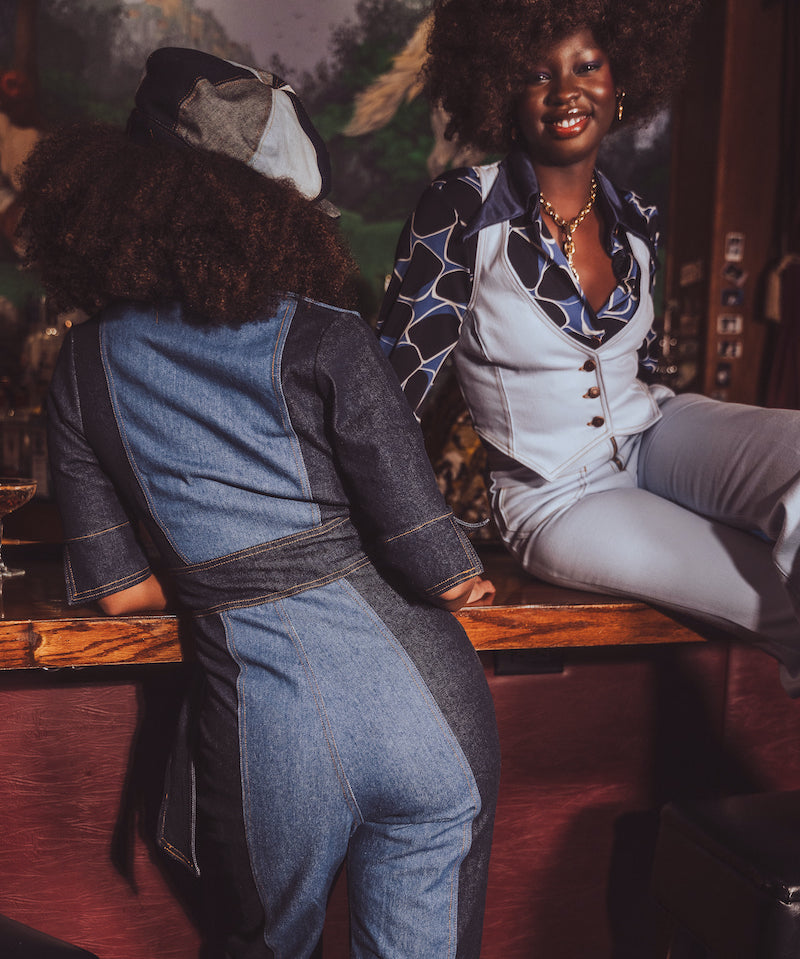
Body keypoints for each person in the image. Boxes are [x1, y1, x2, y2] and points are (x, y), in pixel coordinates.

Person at [19, 47, 500, 959]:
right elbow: (430, 557)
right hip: (424, 707)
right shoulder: (330, 337)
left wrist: (226, 577)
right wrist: (454, 579)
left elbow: (120, 594)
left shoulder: (83, 369)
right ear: (281, 215)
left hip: (262, 739)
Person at [377, 0, 800, 697]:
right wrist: (425, 552)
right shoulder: (458, 211)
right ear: (503, 93)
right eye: (538, 73)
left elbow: (645, 370)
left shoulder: (636, 220)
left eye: (588, 65)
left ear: (621, 78)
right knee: (780, 601)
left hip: (657, 435)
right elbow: (386, 403)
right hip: (559, 500)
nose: (568, 89)